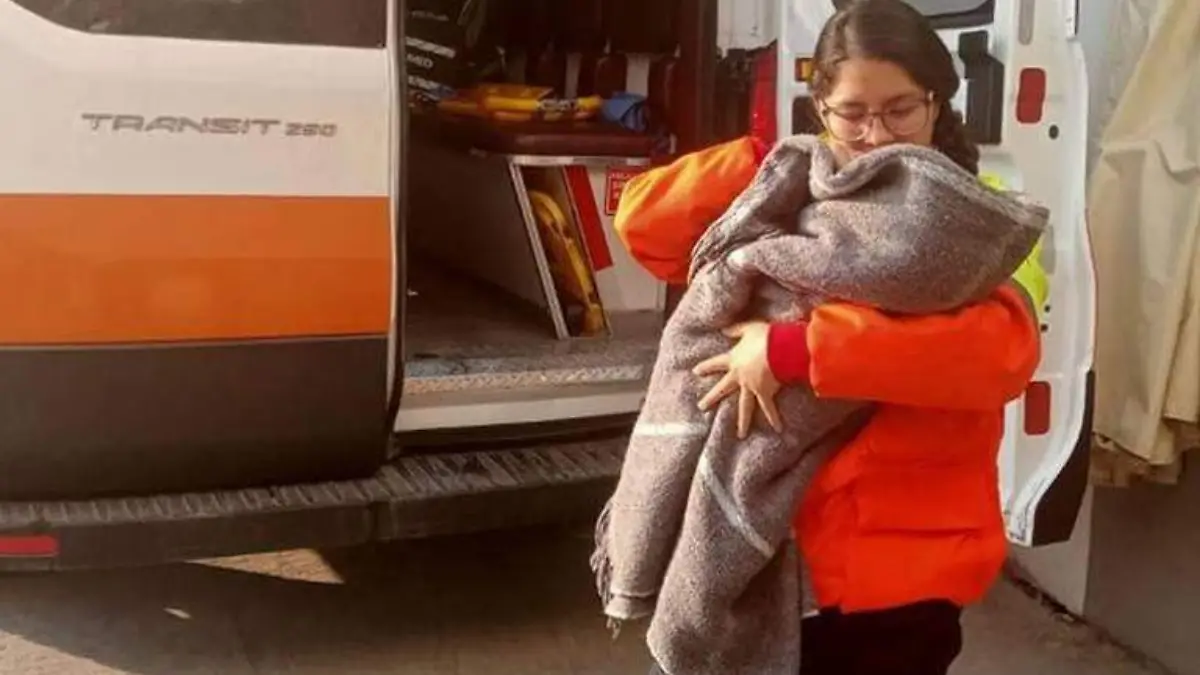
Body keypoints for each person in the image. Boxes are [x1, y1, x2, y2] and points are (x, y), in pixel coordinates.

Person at [618, 1, 1047, 673]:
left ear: (937, 104)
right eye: (853, 112)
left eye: (900, 109)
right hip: (779, 557)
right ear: (821, 107)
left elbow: (994, 354)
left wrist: (790, 349)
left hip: (900, 568)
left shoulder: (978, 217)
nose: (876, 135)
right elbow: (644, 223)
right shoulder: (797, 196)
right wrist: (771, 162)